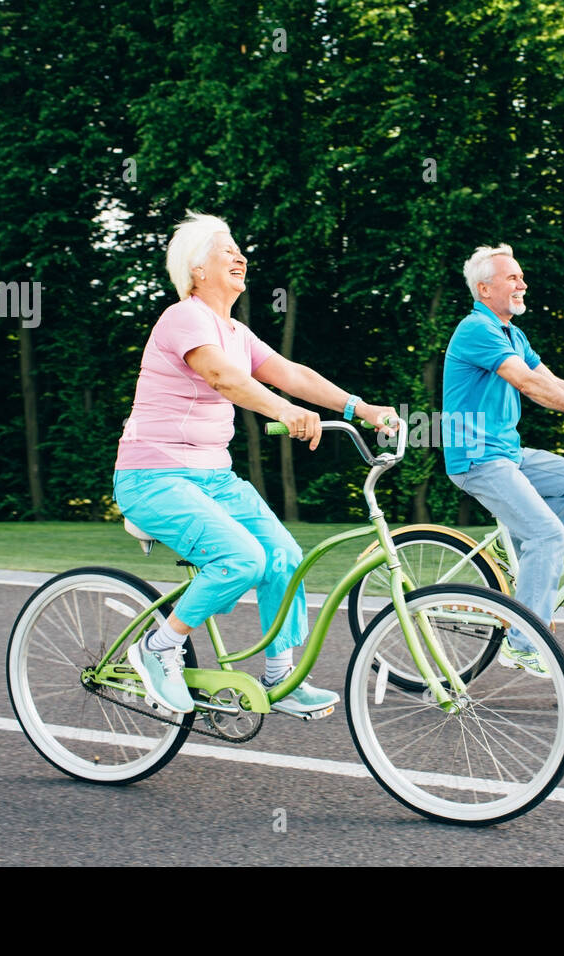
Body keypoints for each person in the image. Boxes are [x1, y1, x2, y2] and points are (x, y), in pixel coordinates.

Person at [113, 211, 398, 715]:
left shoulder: (235, 331)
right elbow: (224, 378)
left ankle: (278, 677)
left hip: (213, 477)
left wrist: (361, 408)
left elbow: (292, 374)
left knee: (284, 558)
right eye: (226, 250)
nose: (239, 256)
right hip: (153, 477)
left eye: (239, 249)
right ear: (197, 269)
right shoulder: (184, 318)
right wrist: (285, 413)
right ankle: (157, 649)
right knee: (243, 558)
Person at [441, 244, 564, 677]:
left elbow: (550, 380)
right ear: (485, 289)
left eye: (521, 277)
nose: (522, 284)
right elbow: (525, 383)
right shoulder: (475, 329)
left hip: (509, 453)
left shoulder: (511, 334)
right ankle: (522, 642)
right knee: (547, 536)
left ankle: (519, 562)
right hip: (478, 458)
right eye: (512, 278)